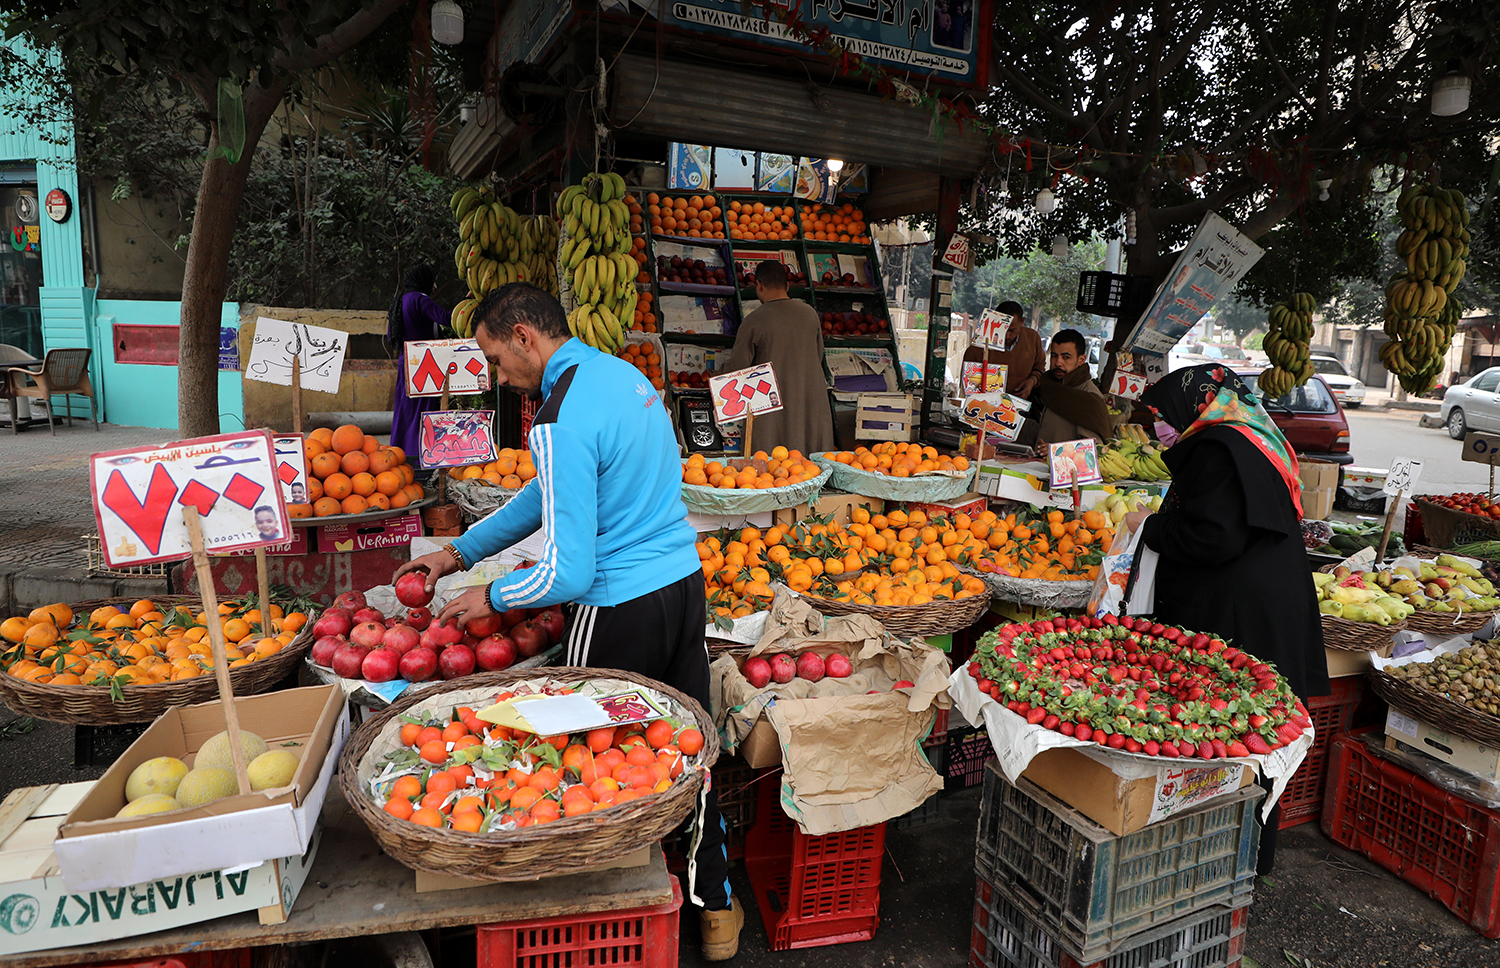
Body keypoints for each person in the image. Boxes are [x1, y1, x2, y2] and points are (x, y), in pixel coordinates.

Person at [392, 283, 743, 960]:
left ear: (524, 336)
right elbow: (544, 493)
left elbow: (569, 574)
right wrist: (462, 551)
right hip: (681, 588)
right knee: (689, 754)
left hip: (619, 610)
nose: (498, 376)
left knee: (586, 768)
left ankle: (597, 925)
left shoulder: (555, 416)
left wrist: (491, 599)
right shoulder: (624, 375)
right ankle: (716, 910)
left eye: (496, 359)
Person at [1127, 364, 1330, 874]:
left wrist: (1149, 527)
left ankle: (1228, 864)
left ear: (1195, 407)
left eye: (1162, 416)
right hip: (1265, 601)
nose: (1158, 428)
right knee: (1254, 730)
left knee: (1241, 731)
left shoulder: (1220, 449)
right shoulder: (1249, 438)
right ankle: (1235, 860)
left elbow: (1212, 538)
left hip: (1244, 615)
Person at [724, 260, 836, 455]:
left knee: (769, 466)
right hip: (808, 399)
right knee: (808, 462)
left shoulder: (754, 320)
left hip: (770, 405)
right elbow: (818, 355)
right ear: (787, 286)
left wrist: (715, 374)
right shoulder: (809, 314)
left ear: (758, 285)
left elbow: (738, 368)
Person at [387, 264, 448, 462]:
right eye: (433, 280)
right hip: (424, 362)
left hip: (406, 360)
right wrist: (467, 304)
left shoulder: (400, 300)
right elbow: (446, 318)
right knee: (424, 408)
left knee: (406, 408)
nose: (435, 285)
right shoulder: (421, 299)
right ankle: (419, 454)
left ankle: (400, 451)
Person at [1032, 329, 1112, 447]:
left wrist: (1056, 451)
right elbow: (1043, 432)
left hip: (1066, 464)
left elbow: (1093, 448)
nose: (1058, 362)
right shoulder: (1052, 388)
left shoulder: (1088, 397)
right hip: (1040, 463)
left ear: (1081, 360)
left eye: (1066, 357)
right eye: (1054, 356)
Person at [959, 300, 1044, 397]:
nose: (1007, 336)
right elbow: (968, 384)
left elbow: (1040, 367)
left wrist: (1032, 381)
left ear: (1022, 321)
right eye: (1003, 330)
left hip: (1023, 404)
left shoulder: (1032, 338)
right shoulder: (978, 348)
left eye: (1012, 330)